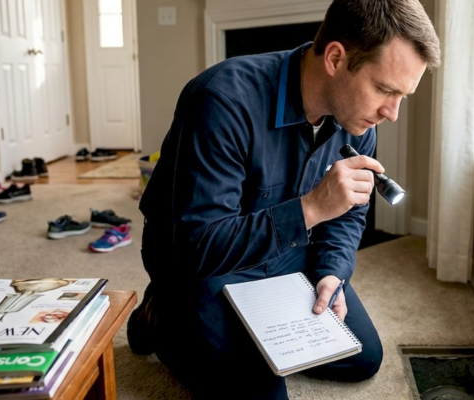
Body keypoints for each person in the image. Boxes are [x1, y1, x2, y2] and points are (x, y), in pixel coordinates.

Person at [128, 0, 441, 398]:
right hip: (202, 263)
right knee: (265, 393)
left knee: (363, 357)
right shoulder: (220, 100)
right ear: (335, 58)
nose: (391, 113)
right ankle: (159, 317)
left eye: (402, 96)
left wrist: (333, 272)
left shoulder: (359, 118)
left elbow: (348, 214)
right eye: (384, 89)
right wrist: (311, 208)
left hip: (283, 252)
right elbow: (199, 246)